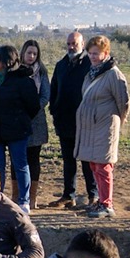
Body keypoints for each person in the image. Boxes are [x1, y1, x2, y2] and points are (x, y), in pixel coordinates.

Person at [74, 36, 130, 219]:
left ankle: (107, 203)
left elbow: (124, 102)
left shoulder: (113, 74)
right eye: (90, 53)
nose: (92, 56)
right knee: (94, 164)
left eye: (96, 53)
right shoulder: (91, 72)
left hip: (105, 126)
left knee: (104, 165)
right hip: (90, 127)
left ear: (106, 53)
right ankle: (100, 199)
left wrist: (118, 121)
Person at [0, 45, 40, 213]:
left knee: (20, 165)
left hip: (17, 130)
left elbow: (34, 106)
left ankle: (24, 201)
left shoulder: (23, 80)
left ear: (7, 60)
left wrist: (19, 119)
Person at [49, 31, 97, 209]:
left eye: (74, 44)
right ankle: (69, 195)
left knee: (86, 160)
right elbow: (54, 88)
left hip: (84, 122)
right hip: (64, 120)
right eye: (68, 43)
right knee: (68, 161)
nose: (71, 47)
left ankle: (93, 195)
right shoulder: (61, 65)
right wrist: (54, 109)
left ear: (82, 44)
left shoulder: (89, 65)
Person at [18, 40, 52, 209]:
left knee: (33, 159)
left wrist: (33, 108)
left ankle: (32, 198)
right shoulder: (15, 71)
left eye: (34, 53)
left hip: (36, 121)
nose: (31, 56)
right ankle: (16, 196)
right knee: (17, 158)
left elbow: (46, 95)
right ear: (23, 53)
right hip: (18, 120)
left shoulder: (42, 72)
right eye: (29, 52)